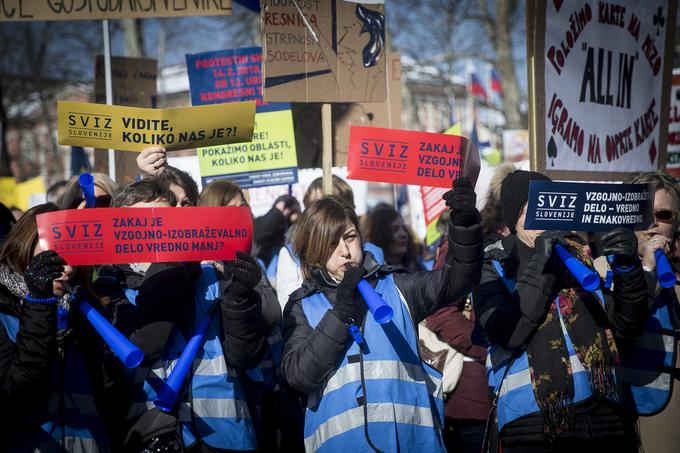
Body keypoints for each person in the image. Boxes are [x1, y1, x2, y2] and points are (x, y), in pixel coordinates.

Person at [281, 176, 483, 452]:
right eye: (331, 243)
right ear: (314, 252)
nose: (345, 251)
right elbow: (299, 376)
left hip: (411, 443)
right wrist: (340, 314)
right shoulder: (301, 305)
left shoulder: (397, 285)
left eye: (350, 237)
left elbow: (457, 279)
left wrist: (464, 226)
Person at [474, 170, 648, 452]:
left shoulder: (583, 254)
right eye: (532, 212)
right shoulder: (492, 266)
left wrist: (629, 269)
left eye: (550, 208)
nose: (544, 220)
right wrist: (543, 264)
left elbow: (626, 326)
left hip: (605, 414)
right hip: (532, 424)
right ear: (512, 221)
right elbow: (509, 333)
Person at [102, 177, 272, 452]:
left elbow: (247, 354)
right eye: (146, 222)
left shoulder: (209, 276)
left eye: (165, 220)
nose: (158, 230)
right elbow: (139, 351)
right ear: (122, 229)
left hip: (226, 436)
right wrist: (166, 268)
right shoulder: (111, 288)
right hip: (156, 438)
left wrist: (240, 294)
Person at [0, 203, 111, 451]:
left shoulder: (86, 306)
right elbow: (14, 392)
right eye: (57, 257)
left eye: (74, 258)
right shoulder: (2, 306)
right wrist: (39, 303)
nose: (68, 270)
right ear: (25, 244)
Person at [613, 171, 680, 453]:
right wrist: (647, 271)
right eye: (642, 213)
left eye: (663, 214)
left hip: (669, 415)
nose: (653, 223)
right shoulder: (600, 269)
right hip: (615, 412)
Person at [426, 209, 490, 453]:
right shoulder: (458, 249)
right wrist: (487, 348)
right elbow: (441, 312)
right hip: (471, 394)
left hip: (502, 394)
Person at [275, 175, 357, 310]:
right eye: (319, 205)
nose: (329, 213)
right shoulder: (293, 254)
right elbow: (288, 308)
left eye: (336, 203)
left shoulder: (369, 251)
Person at [362, 206, 423, 272]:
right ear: (381, 235)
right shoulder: (371, 274)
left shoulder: (418, 269)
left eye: (403, 228)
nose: (404, 234)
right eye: (395, 229)